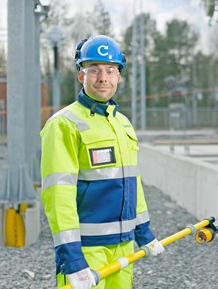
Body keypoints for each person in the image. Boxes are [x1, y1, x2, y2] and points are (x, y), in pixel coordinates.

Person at [40, 35, 164, 289]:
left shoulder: (123, 124)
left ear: (119, 77)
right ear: (80, 76)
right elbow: (58, 196)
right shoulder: (64, 124)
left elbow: (133, 184)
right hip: (87, 251)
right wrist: (73, 259)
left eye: (110, 70)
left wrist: (144, 233)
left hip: (124, 247)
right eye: (94, 70)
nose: (103, 78)